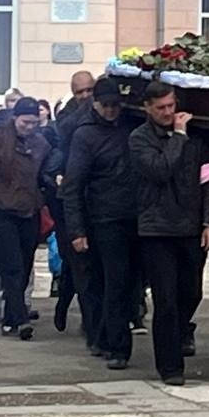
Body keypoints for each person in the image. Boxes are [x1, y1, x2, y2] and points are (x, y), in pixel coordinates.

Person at [129, 81, 209, 386]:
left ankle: (179, 335)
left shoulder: (195, 138)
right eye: (161, 108)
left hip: (190, 227)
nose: (168, 112)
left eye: (171, 105)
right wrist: (178, 136)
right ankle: (170, 366)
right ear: (148, 109)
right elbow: (160, 169)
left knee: (192, 292)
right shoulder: (139, 139)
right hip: (157, 228)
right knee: (165, 299)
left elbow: (207, 180)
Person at [63, 77, 139, 369]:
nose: (111, 111)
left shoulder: (129, 124)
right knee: (114, 282)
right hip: (105, 218)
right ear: (95, 104)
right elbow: (73, 185)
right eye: (105, 106)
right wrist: (77, 230)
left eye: (115, 105)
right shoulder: (85, 135)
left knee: (129, 284)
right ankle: (116, 345)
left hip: (134, 215)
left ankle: (107, 336)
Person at [0, 97, 50, 341]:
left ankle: (10, 318)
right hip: (2, 210)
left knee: (25, 265)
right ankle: (21, 320)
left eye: (34, 122)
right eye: (26, 122)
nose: (29, 126)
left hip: (30, 211)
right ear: (15, 118)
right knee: (12, 267)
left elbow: (44, 175)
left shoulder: (40, 144)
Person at [44, 70, 97, 339]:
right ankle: (68, 306)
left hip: (95, 202)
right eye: (80, 93)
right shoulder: (66, 116)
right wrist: (88, 107)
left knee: (87, 267)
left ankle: (91, 321)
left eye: (90, 91)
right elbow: (65, 130)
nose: (86, 97)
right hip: (71, 201)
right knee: (76, 263)